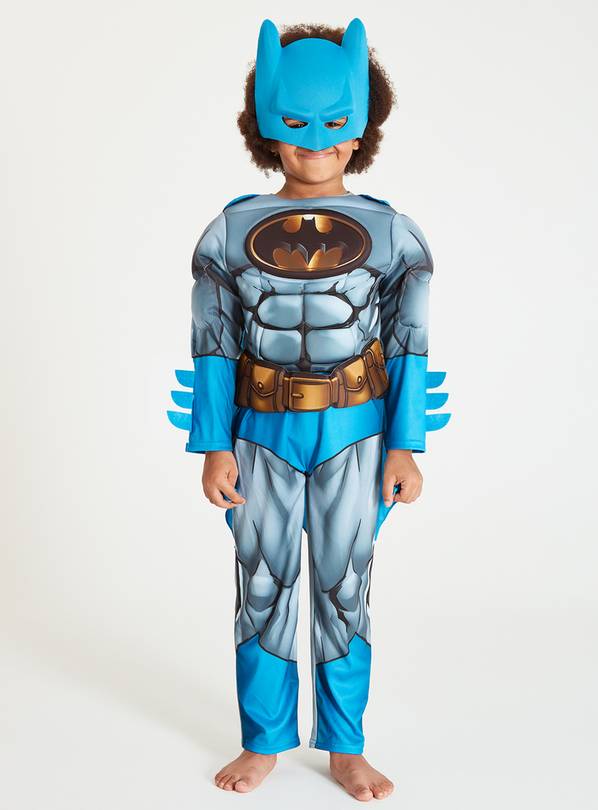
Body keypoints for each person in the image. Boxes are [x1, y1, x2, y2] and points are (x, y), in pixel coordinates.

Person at [168, 17, 449, 801]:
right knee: (262, 585)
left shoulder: (396, 236)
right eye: (294, 124)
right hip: (259, 431)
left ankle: (345, 745)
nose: (315, 143)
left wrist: (406, 445)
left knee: (343, 588)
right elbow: (213, 344)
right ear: (266, 127)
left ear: (362, 128)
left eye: (334, 126)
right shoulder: (228, 233)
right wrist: (213, 445)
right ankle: (263, 739)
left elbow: (409, 345)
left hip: (356, 430)